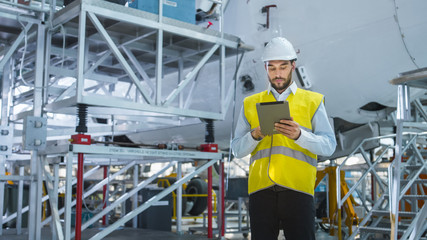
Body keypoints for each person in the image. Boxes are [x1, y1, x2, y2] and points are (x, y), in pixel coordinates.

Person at [231, 37, 337, 240]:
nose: (277, 74)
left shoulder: (312, 101)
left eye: (283, 67)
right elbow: (236, 149)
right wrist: (255, 135)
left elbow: (329, 146)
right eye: (272, 68)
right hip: (261, 190)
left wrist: (299, 136)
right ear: (265, 68)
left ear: (293, 66)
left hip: (297, 189)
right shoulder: (250, 103)